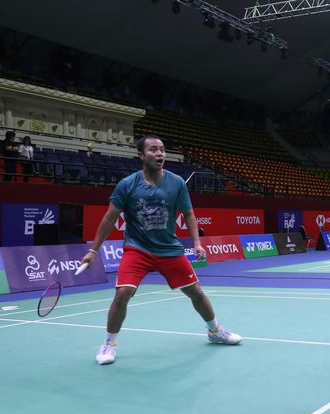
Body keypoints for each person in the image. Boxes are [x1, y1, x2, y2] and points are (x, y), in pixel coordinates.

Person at [81, 135, 241, 365]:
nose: (160, 154)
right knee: (123, 293)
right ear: (141, 155)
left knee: (195, 291)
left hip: (169, 248)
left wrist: (196, 243)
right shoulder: (127, 184)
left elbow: (189, 214)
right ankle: (109, 343)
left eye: (162, 150)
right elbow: (109, 218)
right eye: (154, 150)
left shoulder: (176, 183)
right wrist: (94, 251)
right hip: (137, 249)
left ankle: (215, 330)